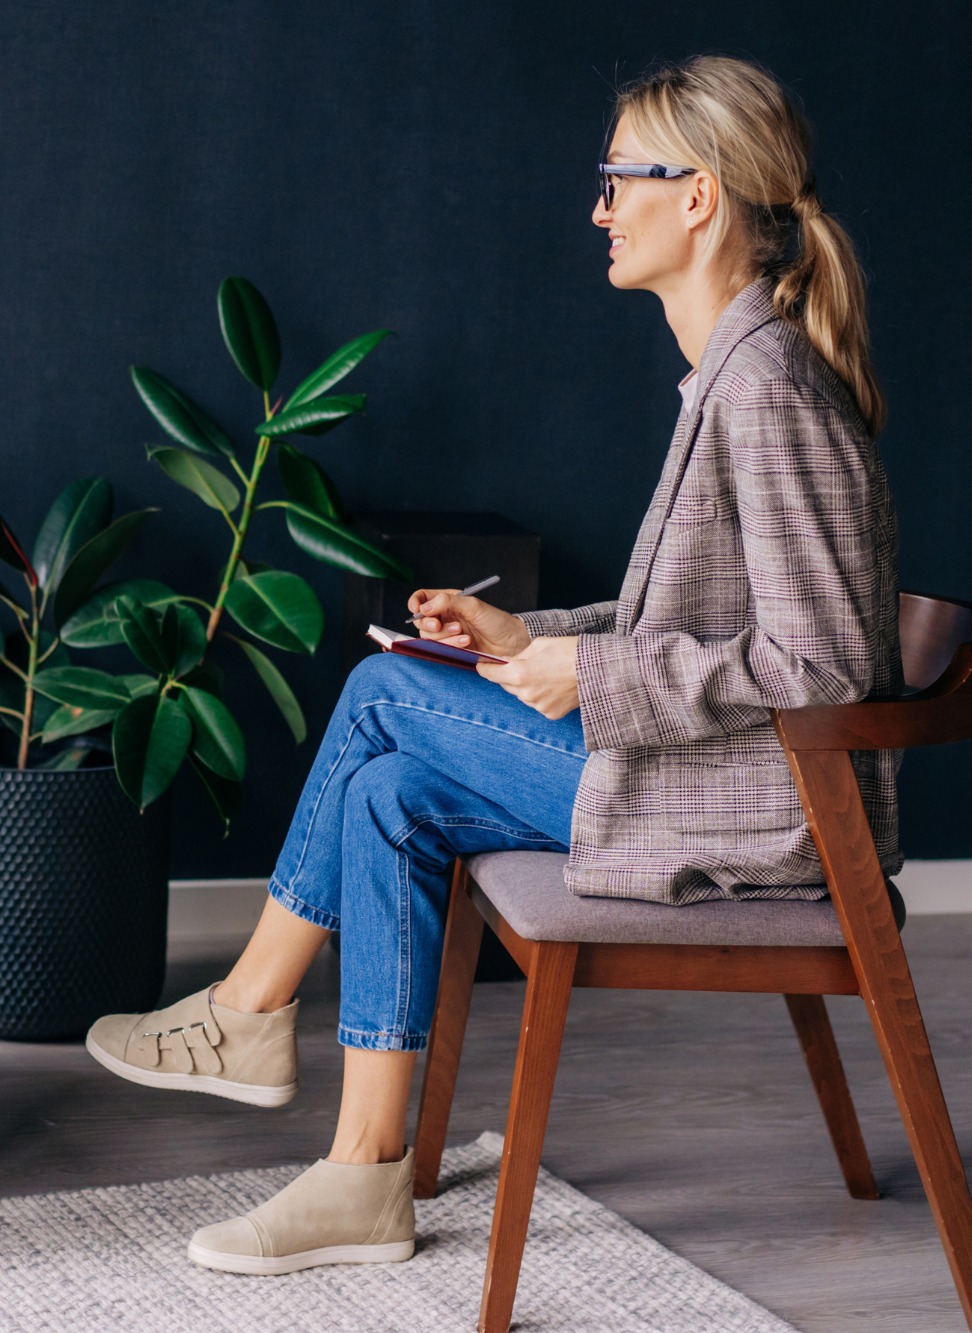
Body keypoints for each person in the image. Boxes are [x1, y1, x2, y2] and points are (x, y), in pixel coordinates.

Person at [86, 54, 901, 1276]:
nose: (598, 207)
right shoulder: (730, 377)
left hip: (761, 814)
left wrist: (598, 681)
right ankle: (362, 1174)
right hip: (713, 774)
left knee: (374, 694)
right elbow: (681, 609)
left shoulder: (765, 389)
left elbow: (823, 662)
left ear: (699, 197)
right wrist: (537, 640)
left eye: (618, 177)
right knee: (387, 790)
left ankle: (250, 1011)